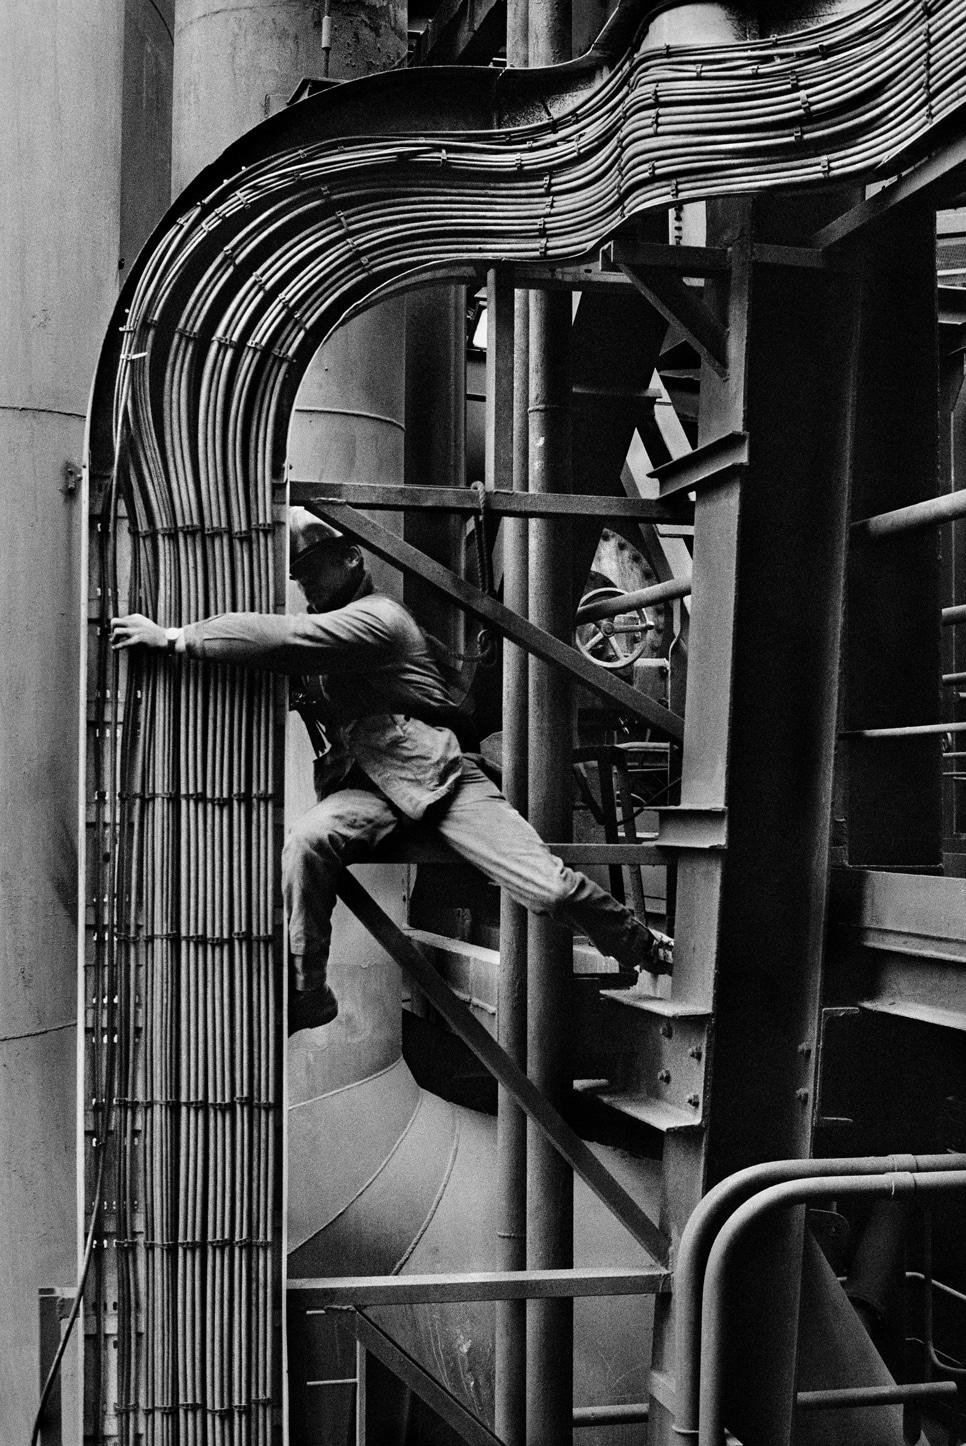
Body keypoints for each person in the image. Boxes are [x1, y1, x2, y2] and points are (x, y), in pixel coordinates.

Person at [111, 510, 673, 1035]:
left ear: (353, 559)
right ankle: (309, 992)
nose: (305, 585)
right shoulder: (336, 641)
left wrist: (176, 638)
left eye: (312, 570)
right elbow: (281, 656)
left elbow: (288, 639)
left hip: (442, 778)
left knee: (546, 886)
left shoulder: (378, 619)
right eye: (298, 576)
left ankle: (643, 945)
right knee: (308, 841)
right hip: (371, 787)